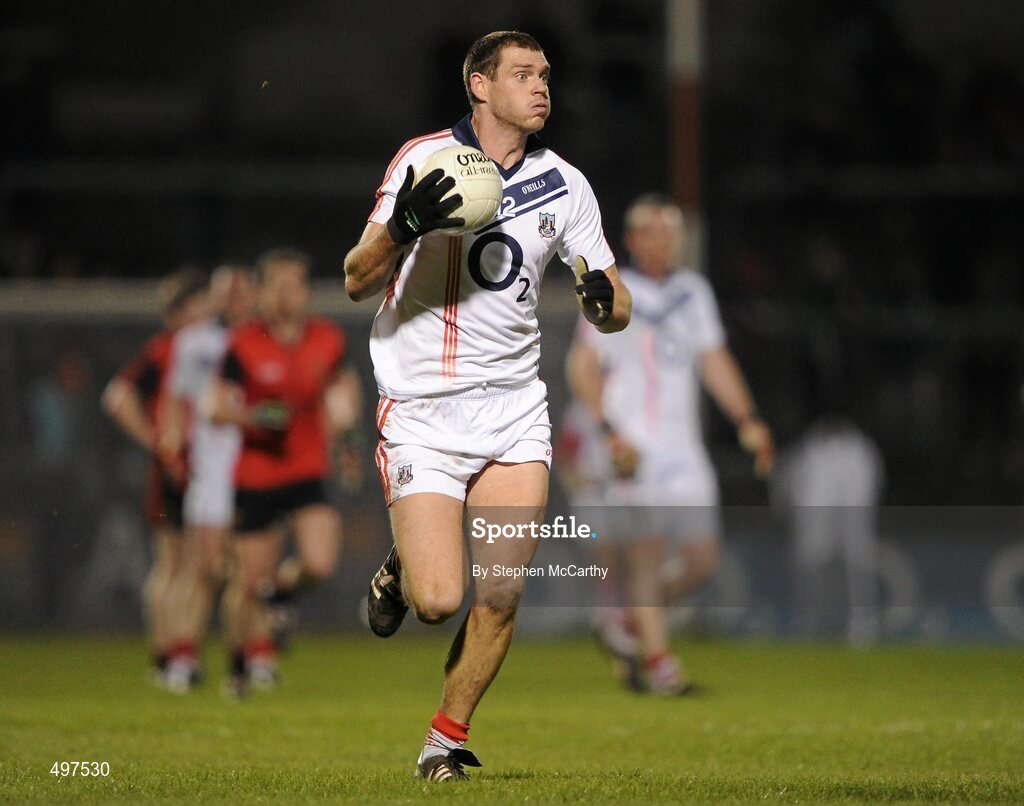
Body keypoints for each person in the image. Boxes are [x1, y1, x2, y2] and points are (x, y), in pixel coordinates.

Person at [343, 30, 631, 782]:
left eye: (546, 75)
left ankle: (445, 742)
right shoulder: (422, 160)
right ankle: (408, 556)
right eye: (524, 74)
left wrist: (604, 302)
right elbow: (354, 278)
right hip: (422, 411)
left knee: (501, 591)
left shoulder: (566, 183)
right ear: (480, 84)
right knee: (438, 600)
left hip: (512, 412)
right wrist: (405, 227)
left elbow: (613, 297)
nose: (542, 87)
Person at [565, 194, 773, 695]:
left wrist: (748, 418)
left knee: (703, 559)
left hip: (683, 446)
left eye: (672, 232)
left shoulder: (693, 292)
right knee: (647, 552)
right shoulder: (614, 290)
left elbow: (713, 359)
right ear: (634, 241)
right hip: (635, 445)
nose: (666, 241)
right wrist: (609, 431)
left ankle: (627, 623)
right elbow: (582, 365)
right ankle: (660, 667)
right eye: (656, 232)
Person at [210, 248, 361, 698]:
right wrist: (254, 416)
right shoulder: (243, 342)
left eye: (294, 283)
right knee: (246, 583)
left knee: (319, 561)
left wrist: (348, 443)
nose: (285, 293)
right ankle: (238, 667)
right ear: (261, 291)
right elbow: (214, 407)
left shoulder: (326, 339)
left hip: (306, 469)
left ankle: (281, 596)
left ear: (307, 291)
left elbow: (341, 394)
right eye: (275, 284)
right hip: (257, 474)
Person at [101, 268, 209, 684]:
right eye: (199, 302)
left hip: (193, 465)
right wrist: (155, 442)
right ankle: (171, 654)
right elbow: (118, 395)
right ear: (182, 310)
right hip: (176, 467)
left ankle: (169, 654)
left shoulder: (195, 348)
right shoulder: (167, 349)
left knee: (181, 564)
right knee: (176, 564)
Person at [155, 264, 255, 691]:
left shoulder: (261, 340)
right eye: (225, 291)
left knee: (250, 570)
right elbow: (176, 401)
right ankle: (182, 655)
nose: (233, 298)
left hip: (256, 465)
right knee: (205, 567)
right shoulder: (194, 341)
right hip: (212, 465)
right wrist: (174, 448)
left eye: (240, 291)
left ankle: (253, 657)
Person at [774, 415, 884, 646]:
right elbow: (787, 483)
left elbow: (874, 482)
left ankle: (862, 624)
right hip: (813, 515)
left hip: (854, 514)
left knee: (857, 566)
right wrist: (788, 513)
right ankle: (809, 622)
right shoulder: (806, 450)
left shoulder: (861, 448)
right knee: (810, 567)